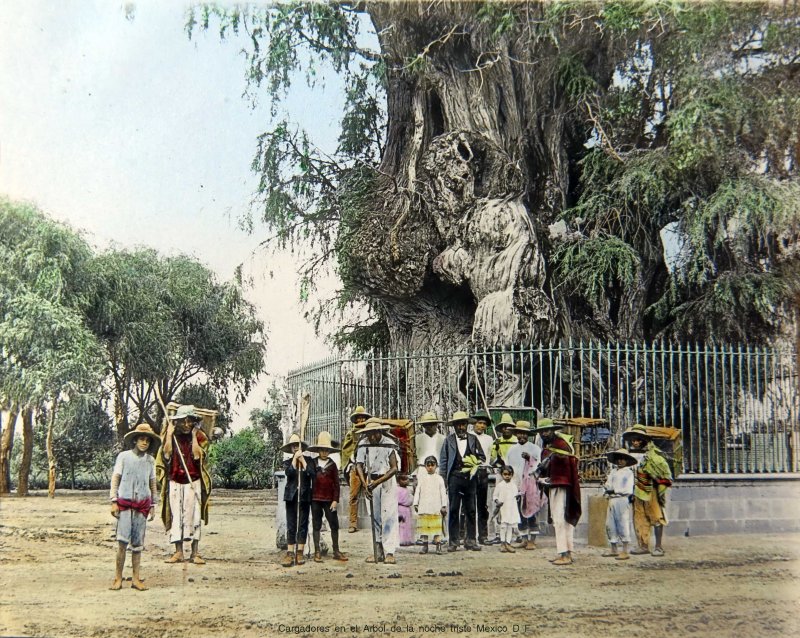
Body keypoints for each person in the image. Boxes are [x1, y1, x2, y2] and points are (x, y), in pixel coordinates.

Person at [157, 404, 211, 565]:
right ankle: (178, 552)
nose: (186, 425)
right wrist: (168, 435)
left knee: (194, 515)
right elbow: (166, 455)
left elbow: (197, 456)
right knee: (176, 516)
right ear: (178, 422)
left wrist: (194, 436)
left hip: (193, 481)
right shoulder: (172, 435)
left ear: (194, 422)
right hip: (175, 480)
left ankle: (195, 553)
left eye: (189, 421)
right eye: (183, 421)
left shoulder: (200, 436)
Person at [110, 423, 160, 591]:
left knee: (137, 544)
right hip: (125, 505)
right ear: (135, 441)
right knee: (122, 542)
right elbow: (116, 478)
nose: (144, 443)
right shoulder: (124, 457)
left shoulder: (150, 460)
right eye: (141, 439)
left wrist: (153, 504)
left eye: (147, 440)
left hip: (142, 506)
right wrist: (113, 500)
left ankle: (136, 578)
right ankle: (118, 578)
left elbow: (153, 483)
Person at [622, 424, 673, 556]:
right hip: (637, 491)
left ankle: (658, 546)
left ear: (644, 440)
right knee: (639, 518)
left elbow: (665, 475)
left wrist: (656, 478)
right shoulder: (629, 455)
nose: (635, 442)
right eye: (633, 440)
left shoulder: (654, 456)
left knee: (656, 517)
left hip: (651, 492)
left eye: (638, 440)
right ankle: (643, 545)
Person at [536, 418, 581, 566]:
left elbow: (565, 467)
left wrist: (551, 478)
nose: (544, 433)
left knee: (560, 520)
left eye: (547, 430)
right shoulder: (549, 446)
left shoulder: (560, 445)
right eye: (542, 431)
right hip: (555, 485)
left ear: (553, 430)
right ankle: (566, 551)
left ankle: (565, 554)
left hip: (562, 486)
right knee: (561, 520)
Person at [439, 410, 486, 552]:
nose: (460, 427)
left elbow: (482, 457)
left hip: (470, 478)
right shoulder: (449, 440)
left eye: (463, 424)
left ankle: (471, 540)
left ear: (467, 425)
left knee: (471, 509)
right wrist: (444, 482)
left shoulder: (473, 439)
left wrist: (475, 463)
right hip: (454, 477)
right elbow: (443, 461)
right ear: (454, 426)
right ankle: (453, 542)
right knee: (453, 509)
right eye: (458, 425)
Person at [356, 417, 400, 564]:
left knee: (388, 516)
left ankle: (389, 552)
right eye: (369, 434)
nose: (373, 437)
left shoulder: (389, 444)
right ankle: (378, 550)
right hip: (370, 482)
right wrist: (365, 483)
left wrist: (377, 482)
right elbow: (359, 465)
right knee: (375, 517)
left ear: (380, 431)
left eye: (375, 433)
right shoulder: (363, 444)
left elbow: (394, 468)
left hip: (386, 482)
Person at [308, 432, 348, 563]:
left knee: (334, 525)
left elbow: (336, 484)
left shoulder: (333, 465)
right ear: (318, 450)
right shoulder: (313, 463)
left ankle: (336, 550)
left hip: (329, 500)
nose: (324, 453)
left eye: (326, 450)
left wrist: (335, 500)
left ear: (329, 451)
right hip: (315, 499)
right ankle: (317, 552)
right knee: (316, 525)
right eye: (322, 450)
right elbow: (308, 477)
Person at [505, 420, 544, 550]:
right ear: (516, 434)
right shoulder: (511, 450)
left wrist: (530, 459)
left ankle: (532, 540)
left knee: (531, 511)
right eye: (519, 433)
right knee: (520, 512)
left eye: (524, 434)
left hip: (531, 485)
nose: (522, 436)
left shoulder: (535, 449)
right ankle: (524, 538)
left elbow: (539, 466)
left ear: (528, 435)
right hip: (517, 485)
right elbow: (508, 468)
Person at [280, 433, 314, 567]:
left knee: (303, 523)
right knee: (291, 523)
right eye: (293, 446)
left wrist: (303, 461)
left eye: (297, 445)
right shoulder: (287, 462)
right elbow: (289, 473)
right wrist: (295, 459)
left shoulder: (309, 461)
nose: (295, 447)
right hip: (291, 496)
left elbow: (312, 474)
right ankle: (290, 553)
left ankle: (300, 551)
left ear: (301, 447)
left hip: (304, 496)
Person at [602, 448, 637, 561]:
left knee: (623, 523)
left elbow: (628, 489)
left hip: (622, 499)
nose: (620, 461)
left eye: (623, 459)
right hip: (612, 500)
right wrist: (607, 489)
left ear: (627, 461)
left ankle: (625, 550)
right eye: (618, 458)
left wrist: (614, 490)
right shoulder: (613, 472)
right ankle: (614, 549)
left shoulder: (628, 473)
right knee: (610, 524)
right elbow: (608, 485)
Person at [341, 406, 371, 533]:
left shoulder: (371, 432)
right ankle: (352, 523)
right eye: (358, 419)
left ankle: (375, 520)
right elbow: (346, 450)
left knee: (372, 493)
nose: (360, 421)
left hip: (368, 467)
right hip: (355, 468)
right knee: (353, 496)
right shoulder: (350, 434)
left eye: (362, 418)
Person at [413, 456, 448, 554]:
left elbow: (443, 492)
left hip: (435, 507)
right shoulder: (422, 478)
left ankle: (438, 546)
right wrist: (416, 503)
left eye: (432, 465)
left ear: (436, 466)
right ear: (425, 466)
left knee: (437, 528)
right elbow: (417, 491)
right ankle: (425, 546)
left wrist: (444, 505)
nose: (430, 467)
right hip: (424, 507)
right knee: (424, 528)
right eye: (428, 465)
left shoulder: (439, 479)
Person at [470, 410, 494, 545]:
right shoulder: (468, 437)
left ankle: (483, 536)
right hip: (471, 471)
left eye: (484, 424)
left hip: (483, 472)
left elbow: (490, 456)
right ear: (474, 424)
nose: (481, 426)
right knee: (469, 505)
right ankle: (468, 535)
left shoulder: (489, 439)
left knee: (482, 505)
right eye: (479, 423)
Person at [492, 465, 521, 553]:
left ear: (512, 475)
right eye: (505, 474)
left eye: (509, 474)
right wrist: (497, 502)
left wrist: (518, 496)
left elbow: (515, 495)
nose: (507, 476)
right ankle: (502, 543)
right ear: (502, 475)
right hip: (503, 508)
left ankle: (508, 543)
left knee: (510, 526)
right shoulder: (500, 485)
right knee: (503, 526)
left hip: (511, 508)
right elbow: (495, 496)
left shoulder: (513, 485)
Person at [414, 412, 446, 479]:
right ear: (423, 426)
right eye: (427, 424)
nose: (429, 427)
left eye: (432, 424)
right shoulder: (417, 438)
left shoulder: (443, 439)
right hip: (422, 468)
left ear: (436, 425)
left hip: (437, 469)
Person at [396, 474, 415, 546]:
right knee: (401, 525)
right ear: (398, 481)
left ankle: (408, 539)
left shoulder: (408, 489)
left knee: (408, 525)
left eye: (406, 479)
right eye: (403, 480)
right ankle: (401, 540)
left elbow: (410, 499)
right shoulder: (397, 489)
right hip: (400, 508)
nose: (406, 481)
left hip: (407, 509)